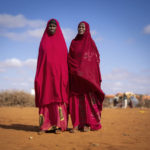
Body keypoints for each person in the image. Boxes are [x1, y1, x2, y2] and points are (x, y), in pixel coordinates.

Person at [68, 21, 105, 132]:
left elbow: (95, 59)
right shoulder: (73, 42)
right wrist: (75, 69)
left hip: (87, 79)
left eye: (83, 27)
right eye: (79, 26)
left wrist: (85, 69)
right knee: (75, 101)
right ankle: (76, 124)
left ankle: (88, 124)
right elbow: (69, 58)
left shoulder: (91, 43)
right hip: (75, 77)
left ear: (87, 29)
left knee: (87, 101)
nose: (80, 28)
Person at [34, 19, 69, 134]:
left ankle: (59, 126)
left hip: (58, 77)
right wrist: (39, 76)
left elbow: (64, 62)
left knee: (58, 99)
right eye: (50, 26)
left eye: (54, 26)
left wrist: (64, 77)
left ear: (57, 28)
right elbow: (40, 61)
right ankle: (45, 126)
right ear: (47, 27)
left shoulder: (62, 43)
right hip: (46, 77)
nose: (52, 28)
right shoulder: (43, 42)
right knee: (46, 99)